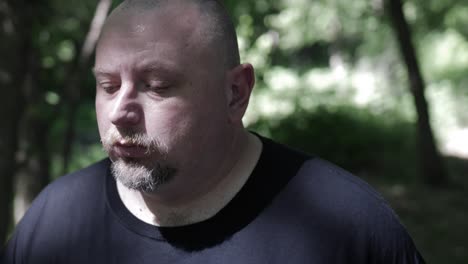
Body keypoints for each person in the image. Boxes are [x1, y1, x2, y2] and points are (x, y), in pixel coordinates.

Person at [1, 0, 426, 263]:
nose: (120, 112)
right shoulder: (53, 222)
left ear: (235, 94)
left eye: (157, 86)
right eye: (107, 85)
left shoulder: (349, 228)